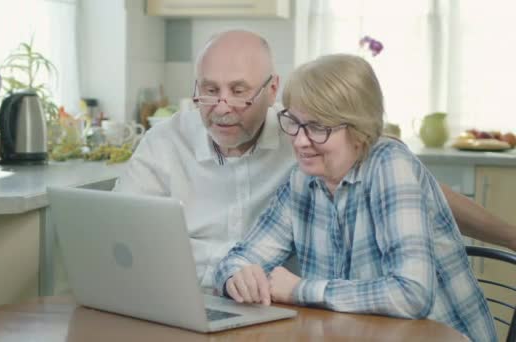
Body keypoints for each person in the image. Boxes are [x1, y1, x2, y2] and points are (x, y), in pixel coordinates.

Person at [115, 30, 516, 289]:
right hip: (201, 299)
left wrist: (512, 236)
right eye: (209, 89)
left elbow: (424, 192)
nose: (222, 106)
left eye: (239, 91)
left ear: (272, 90)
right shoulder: (165, 141)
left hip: (299, 306)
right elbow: (117, 232)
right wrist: (235, 273)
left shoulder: (309, 136)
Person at [213, 54, 497, 342]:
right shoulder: (302, 179)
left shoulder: (389, 164)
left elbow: (412, 293)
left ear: (359, 131)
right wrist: (237, 277)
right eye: (294, 122)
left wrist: (300, 290)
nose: (299, 140)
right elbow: (239, 258)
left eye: (317, 127)